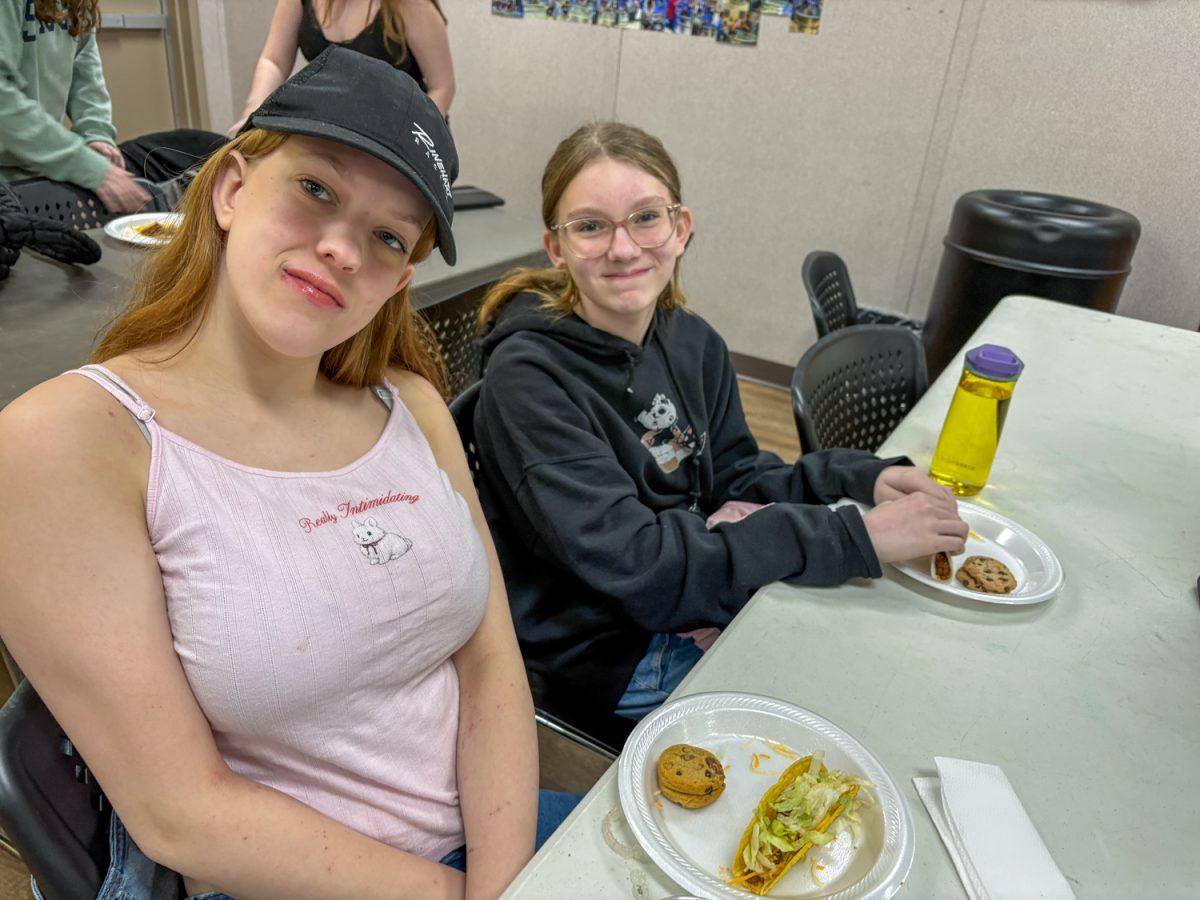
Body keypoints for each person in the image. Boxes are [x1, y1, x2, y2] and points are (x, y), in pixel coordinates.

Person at [0, 48, 572, 899]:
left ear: (400, 280)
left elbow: (490, 661)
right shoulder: (72, 442)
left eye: (387, 237)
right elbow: (180, 815)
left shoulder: (411, 405)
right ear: (232, 188)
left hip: (491, 847)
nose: (341, 249)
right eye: (316, 189)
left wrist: (501, 882)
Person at [471, 122, 969, 726]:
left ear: (680, 228)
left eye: (645, 218)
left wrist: (858, 479)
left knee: (897, 642)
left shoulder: (693, 341)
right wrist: (851, 537)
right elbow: (639, 568)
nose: (622, 248)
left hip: (687, 584)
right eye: (591, 226)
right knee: (862, 689)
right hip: (610, 649)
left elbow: (735, 474)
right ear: (557, 247)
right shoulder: (528, 379)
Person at [0, 0, 226, 213]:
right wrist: (86, 166)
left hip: (46, 167)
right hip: (12, 181)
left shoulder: (78, 5)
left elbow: (86, 75)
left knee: (204, 147)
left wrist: (96, 134)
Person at [231, 0, 455, 133]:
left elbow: (442, 87)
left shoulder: (410, 4)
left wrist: (411, 139)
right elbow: (274, 62)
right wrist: (253, 112)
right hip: (338, 126)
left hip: (403, 126)